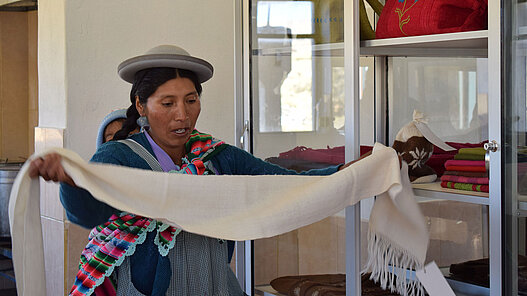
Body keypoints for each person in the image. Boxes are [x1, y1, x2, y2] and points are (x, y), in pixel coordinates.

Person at [28, 45, 364, 296]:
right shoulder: (119, 157)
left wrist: (348, 173)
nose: (182, 116)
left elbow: (281, 185)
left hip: (214, 286)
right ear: (142, 106)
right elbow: (88, 213)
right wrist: (71, 180)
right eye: (168, 103)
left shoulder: (219, 158)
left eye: (191, 100)